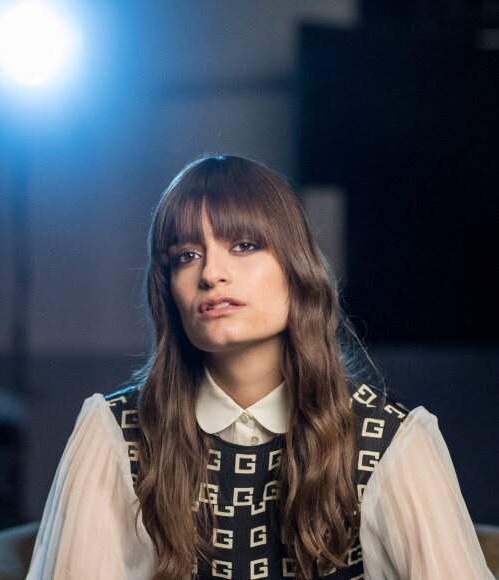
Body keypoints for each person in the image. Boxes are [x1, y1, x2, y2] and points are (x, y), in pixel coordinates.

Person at [26, 155, 493, 579]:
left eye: (244, 245)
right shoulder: (115, 434)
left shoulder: (390, 440)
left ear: (296, 266)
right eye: (185, 256)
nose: (210, 274)